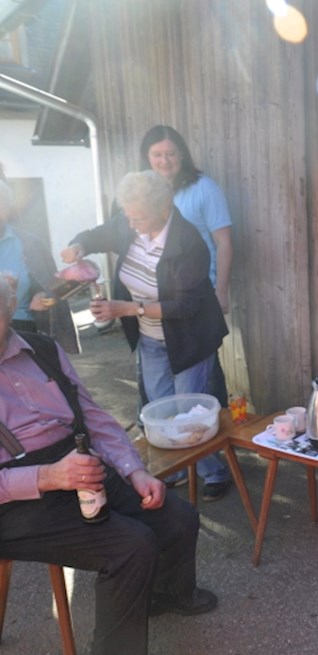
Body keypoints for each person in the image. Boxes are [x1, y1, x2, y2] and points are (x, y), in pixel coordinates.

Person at [0, 277, 217, 655]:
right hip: (14, 500)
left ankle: (163, 596)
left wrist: (135, 471)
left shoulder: (42, 348)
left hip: (78, 462)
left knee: (178, 517)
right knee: (131, 547)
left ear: (10, 304)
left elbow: (92, 417)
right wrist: (47, 476)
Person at [61, 170, 232, 501]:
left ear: (163, 209)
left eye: (138, 217)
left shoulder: (189, 243)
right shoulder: (129, 223)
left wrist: (126, 309)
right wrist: (78, 246)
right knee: (160, 412)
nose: (130, 223)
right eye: (127, 215)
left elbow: (184, 306)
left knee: (191, 414)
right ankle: (175, 469)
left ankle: (213, 472)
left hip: (191, 339)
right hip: (151, 338)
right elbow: (96, 236)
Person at [140, 124, 232, 405]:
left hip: (195, 296)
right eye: (157, 154)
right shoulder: (141, 192)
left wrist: (221, 290)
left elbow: (224, 242)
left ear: (182, 155)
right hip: (154, 304)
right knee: (158, 383)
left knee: (201, 376)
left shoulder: (203, 189)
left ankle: (211, 428)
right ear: (146, 157)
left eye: (171, 153)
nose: (164, 161)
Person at [0, 180, 79, 352]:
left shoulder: (30, 244)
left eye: (2, 205)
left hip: (24, 328)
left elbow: (56, 288)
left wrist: (43, 295)